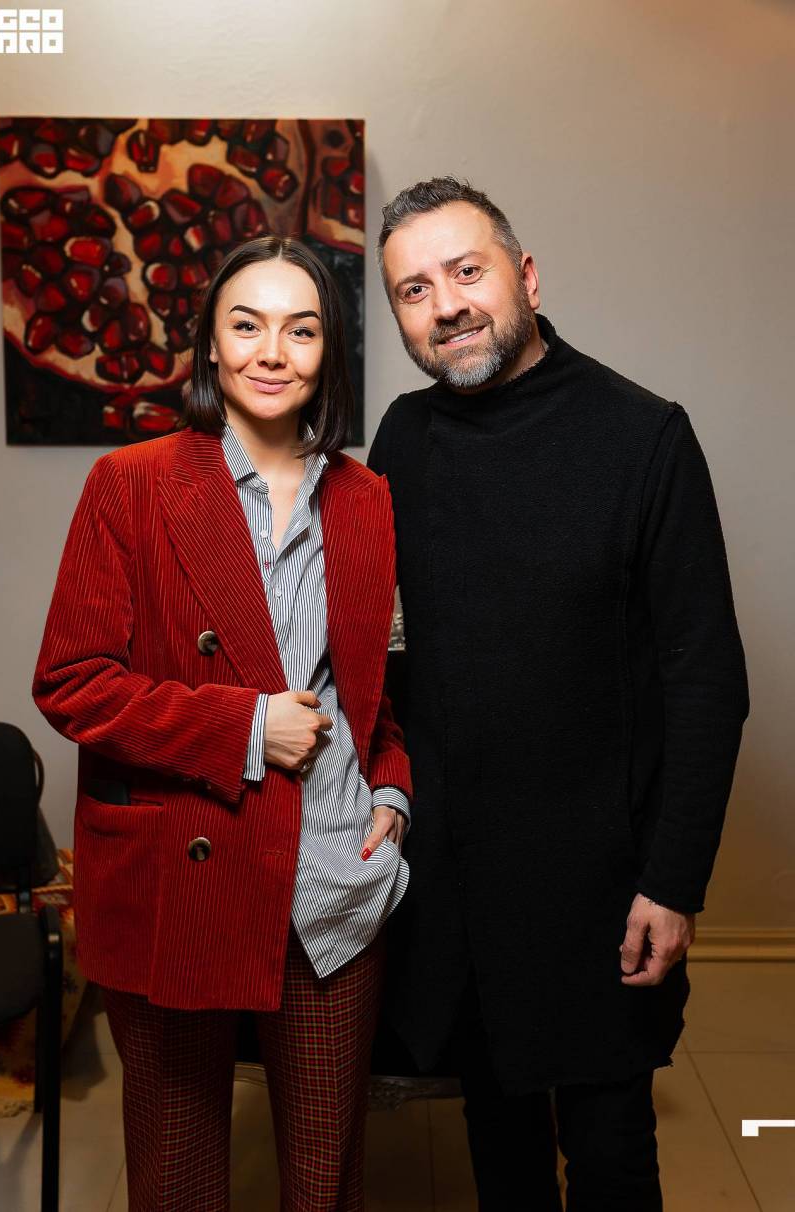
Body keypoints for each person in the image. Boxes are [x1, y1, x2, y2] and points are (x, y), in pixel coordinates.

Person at [368, 177, 749, 1211]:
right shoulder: (403, 439)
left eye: (467, 271)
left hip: (601, 889)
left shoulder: (643, 437)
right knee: (501, 1156)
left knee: (612, 1159)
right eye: (413, 289)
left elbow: (707, 682)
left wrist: (673, 883)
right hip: (457, 888)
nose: (446, 305)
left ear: (526, 277)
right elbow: (383, 653)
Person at [33, 235, 411, 1212]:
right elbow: (71, 682)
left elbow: (373, 691)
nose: (271, 352)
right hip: (181, 871)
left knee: (324, 1181)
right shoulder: (133, 484)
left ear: (329, 351)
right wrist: (243, 729)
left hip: (330, 874)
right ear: (208, 344)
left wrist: (391, 790)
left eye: (301, 329)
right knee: (178, 1179)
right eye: (247, 325)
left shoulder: (366, 501)